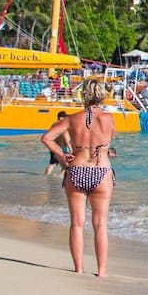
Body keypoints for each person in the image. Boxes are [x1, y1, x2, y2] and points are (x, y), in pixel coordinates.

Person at [40, 80, 118, 277]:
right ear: (101, 95)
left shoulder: (72, 119)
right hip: (101, 171)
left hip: (77, 170)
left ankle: (79, 268)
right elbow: (110, 137)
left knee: (77, 223)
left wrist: (61, 154)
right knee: (100, 224)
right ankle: (101, 270)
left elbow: (46, 138)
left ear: (84, 95)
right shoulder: (108, 119)